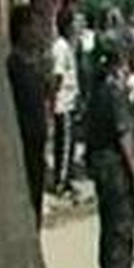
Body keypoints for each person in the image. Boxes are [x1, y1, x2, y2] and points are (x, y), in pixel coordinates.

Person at [85, 38, 134, 268]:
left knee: (109, 230)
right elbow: (124, 137)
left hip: (101, 167)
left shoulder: (97, 90)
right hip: (115, 170)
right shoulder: (114, 92)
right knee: (120, 231)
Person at [7, 5, 48, 228]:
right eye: (35, 26)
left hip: (36, 147)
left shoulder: (33, 66)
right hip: (22, 148)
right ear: (23, 29)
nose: (39, 31)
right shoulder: (13, 66)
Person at [51, 12, 80, 195]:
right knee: (65, 144)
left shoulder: (67, 46)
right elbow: (58, 75)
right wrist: (53, 100)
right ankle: (61, 182)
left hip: (69, 101)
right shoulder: (61, 47)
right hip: (64, 103)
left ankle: (65, 179)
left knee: (68, 144)